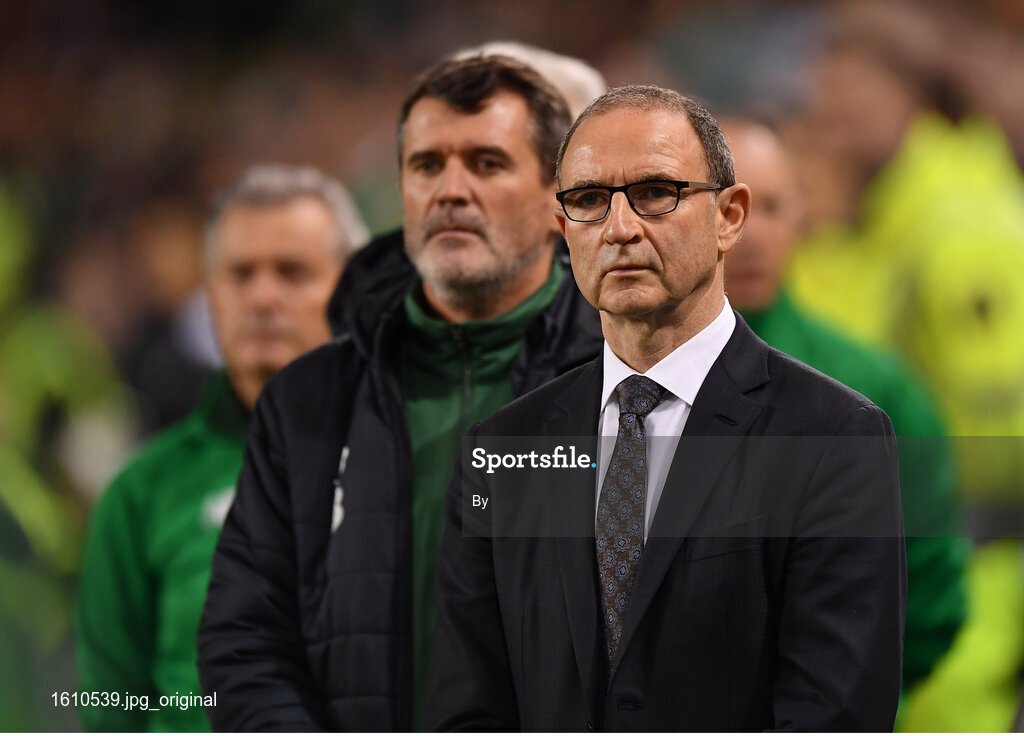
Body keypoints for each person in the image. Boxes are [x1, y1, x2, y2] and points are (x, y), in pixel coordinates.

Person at [426, 85, 905, 731]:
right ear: (563, 229)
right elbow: (467, 708)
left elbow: (835, 712)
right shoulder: (499, 449)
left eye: (656, 193)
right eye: (590, 201)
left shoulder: (833, 436)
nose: (621, 228)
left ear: (729, 216)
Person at [197, 55, 602, 731]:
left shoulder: (639, 386)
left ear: (557, 201)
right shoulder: (307, 400)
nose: (451, 189)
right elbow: (245, 640)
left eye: (486, 163)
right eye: (426, 165)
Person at [76, 164, 368, 731]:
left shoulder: (426, 462)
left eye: (292, 272)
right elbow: (110, 706)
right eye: (240, 275)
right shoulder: (142, 493)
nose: (262, 297)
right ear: (209, 296)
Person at [721, 117, 967, 698]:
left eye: (774, 207)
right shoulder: (609, 379)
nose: (753, 236)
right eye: (727, 209)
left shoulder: (874, 389)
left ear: (804, 215)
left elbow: (929, 596)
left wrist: (836, 703)